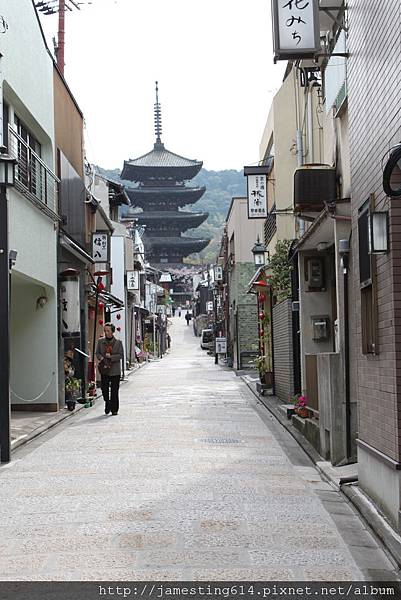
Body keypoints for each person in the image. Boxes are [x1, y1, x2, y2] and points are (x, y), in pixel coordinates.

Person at [96, 322, 124, 415]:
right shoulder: (101, 341)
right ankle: (107, 402)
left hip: (115, 370)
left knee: (114, 390)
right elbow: (97, 353)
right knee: (104, 389)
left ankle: (114, 409)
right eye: (105, 331)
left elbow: (120, 355)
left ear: (112, 331)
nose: (106, 332)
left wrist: (111, 357)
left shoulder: (118, 343)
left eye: (108, 331)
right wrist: (102, 358)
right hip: (105, 369)